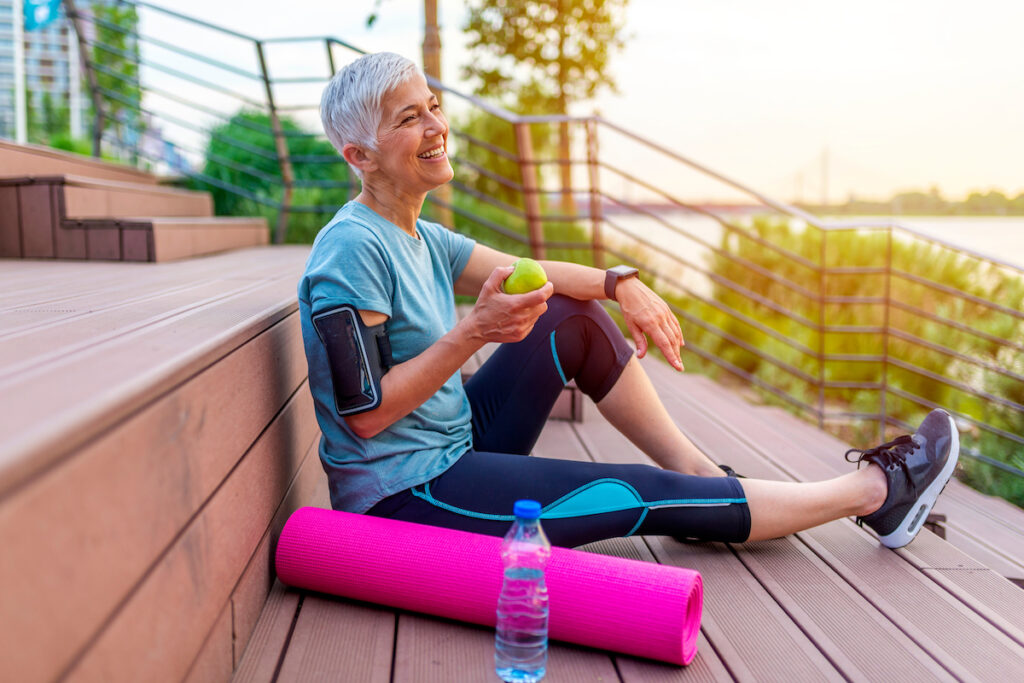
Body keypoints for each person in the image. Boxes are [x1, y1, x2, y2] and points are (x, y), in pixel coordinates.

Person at [298, 52, 959, 550]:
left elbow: (538, 274)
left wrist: (621, 282)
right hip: (405, 499)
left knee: (571, 315)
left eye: (433, 105)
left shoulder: (419, 233)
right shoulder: (351, 251)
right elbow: (365, 417)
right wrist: (474, 332)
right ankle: (877, 493)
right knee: (629, 493)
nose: (436, 124)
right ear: (361, 155)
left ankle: (700, 474)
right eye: (409, 117)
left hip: (452, 444)